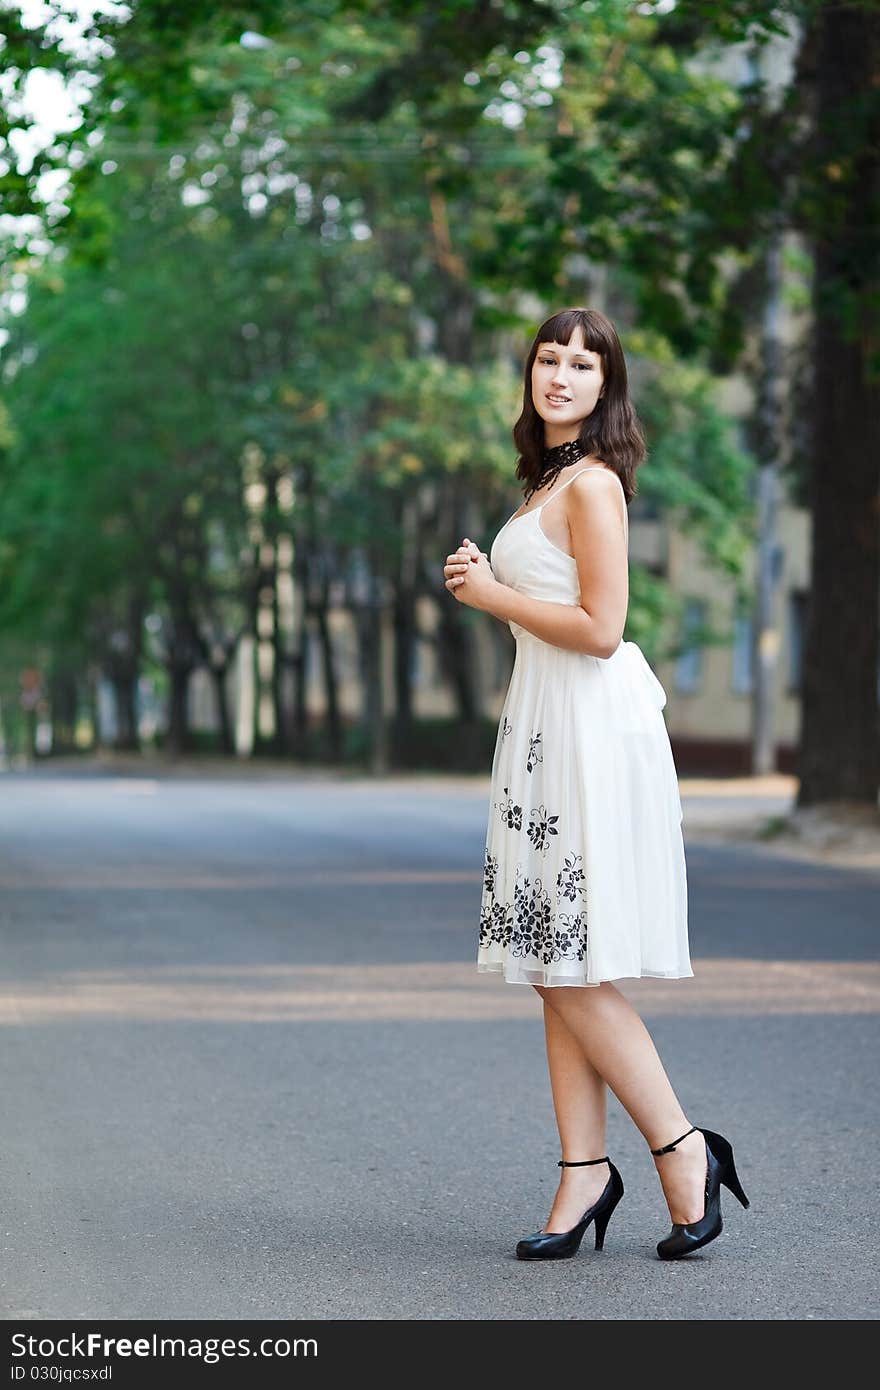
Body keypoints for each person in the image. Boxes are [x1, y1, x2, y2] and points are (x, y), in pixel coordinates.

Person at [442, 307, 748, 1261]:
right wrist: (497, 589)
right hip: (544, 725)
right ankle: (583, 1173)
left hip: (589, 733)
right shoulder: (550, 481)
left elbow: (603, 627)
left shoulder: (596, 484)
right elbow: (552, 618)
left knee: (568, 959)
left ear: (607, 385)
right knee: (551, 963)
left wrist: (492, 592)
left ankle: (679, 1146)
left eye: (583, 363)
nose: (561, 375)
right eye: (547, 359)